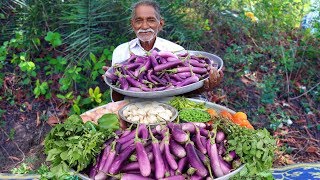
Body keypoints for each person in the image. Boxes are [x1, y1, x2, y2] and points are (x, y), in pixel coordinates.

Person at [103, 0, 223, 101]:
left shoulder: (177, 51)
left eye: (151, 20)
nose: (144, 26)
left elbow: (184, 92)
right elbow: (117, 99)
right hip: (134, 112)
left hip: (168, 111)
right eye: (139, 20)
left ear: (160, 24)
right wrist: (114, 80)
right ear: (132, 24)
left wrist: (204, 87)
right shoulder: (121, 52)